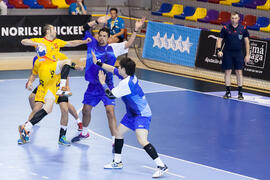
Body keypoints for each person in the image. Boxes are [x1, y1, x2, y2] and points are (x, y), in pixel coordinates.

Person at [71, 16, 145, 144]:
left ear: (108, 38)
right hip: (93, 86)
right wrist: (96, 22)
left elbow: (128, 44)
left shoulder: (113, 48)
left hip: (107, 85)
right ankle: (84, 132)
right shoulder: (91, 43)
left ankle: (114, 139)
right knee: (86, 110)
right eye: (100, 35)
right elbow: (83, 28)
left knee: (110, 111)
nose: (101, 38)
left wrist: (136, 31)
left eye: (105, 36)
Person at [94, 54, 168, 178]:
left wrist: (102, 82)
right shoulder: (130, 76)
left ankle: (161, 165)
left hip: (141, 114)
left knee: (142, 140)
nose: (118, 68)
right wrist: (99, 63)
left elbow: (111, 95)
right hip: (132, 113)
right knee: (118, 133)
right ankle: (117, 162)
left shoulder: (126, 84)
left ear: (124, 70)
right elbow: (112, 69)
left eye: (120, 66)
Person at [18, 24, 89, 145]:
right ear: (47, 31)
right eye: (54, 29)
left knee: (48, 108)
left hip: (52, 81)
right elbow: (23, 41)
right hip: (46, 70)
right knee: (66, 62)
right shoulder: (40, 41)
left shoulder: (57, 45)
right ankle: (62, 87)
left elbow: (71, 43)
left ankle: (27, 127)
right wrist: (37, 44)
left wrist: (84, 41)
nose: (56, 30)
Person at [216, 11, 250, 100]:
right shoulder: (225, 28)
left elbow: (247, 42)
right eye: (232, 18)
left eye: (235, 18)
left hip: (238, 53)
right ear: (230, 18)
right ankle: (228, 92)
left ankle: (240, 93)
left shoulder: (243, 28)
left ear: (239, 19)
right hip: (227, 53)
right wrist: (219, 50)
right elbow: (219, 40)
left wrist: (247, 55)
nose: (234, 20)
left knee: (239, 72)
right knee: (228, 72)